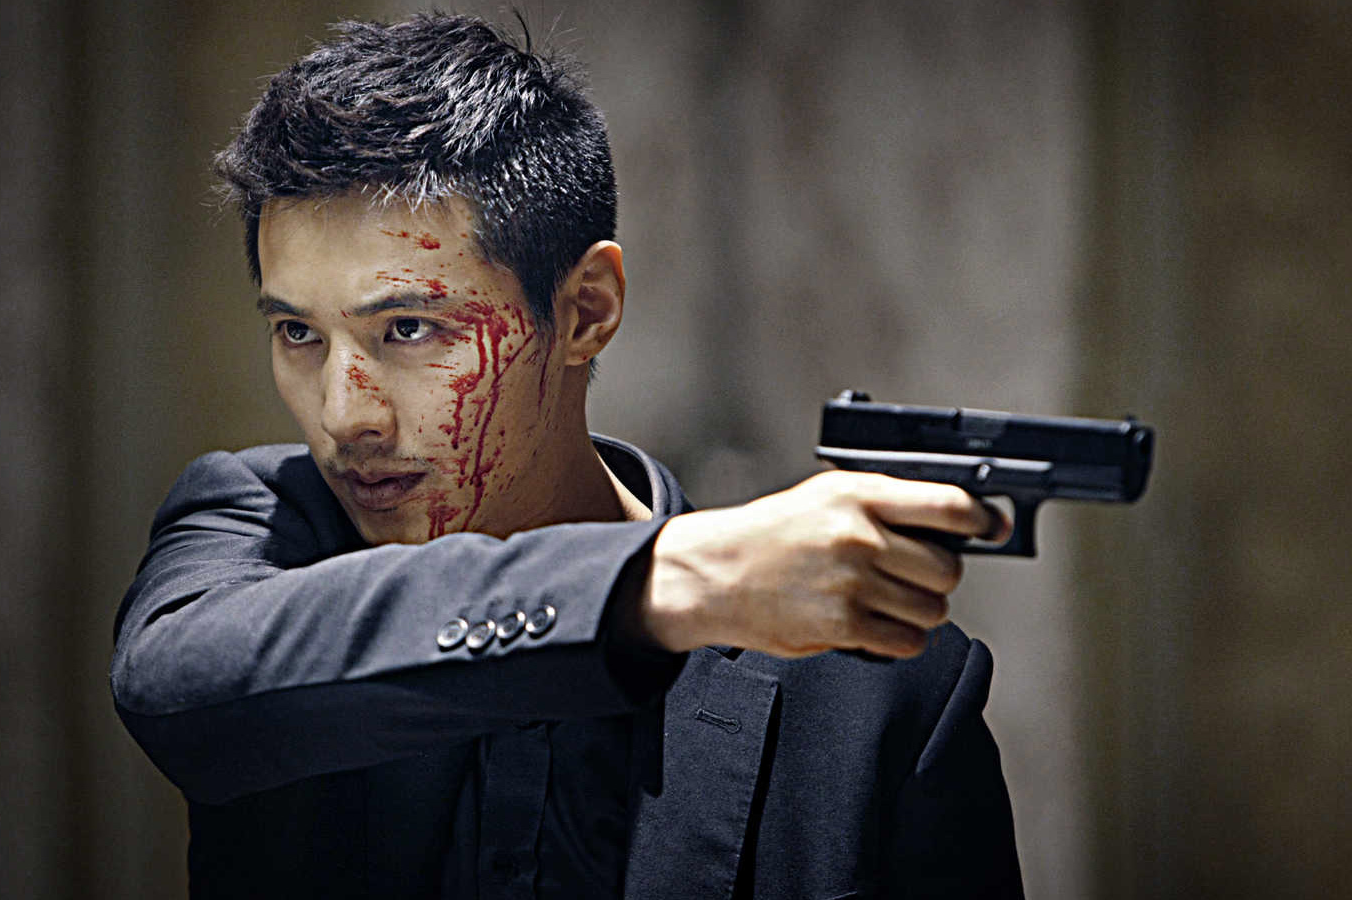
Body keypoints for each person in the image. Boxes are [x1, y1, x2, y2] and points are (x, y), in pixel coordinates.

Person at [111, 12, 1024, 899]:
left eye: (410, 328)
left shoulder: (878, 694)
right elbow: (174, 685)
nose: (346, 416)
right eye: (298, 334)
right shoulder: (259, 526)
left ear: (586, 309)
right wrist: (668, 583)